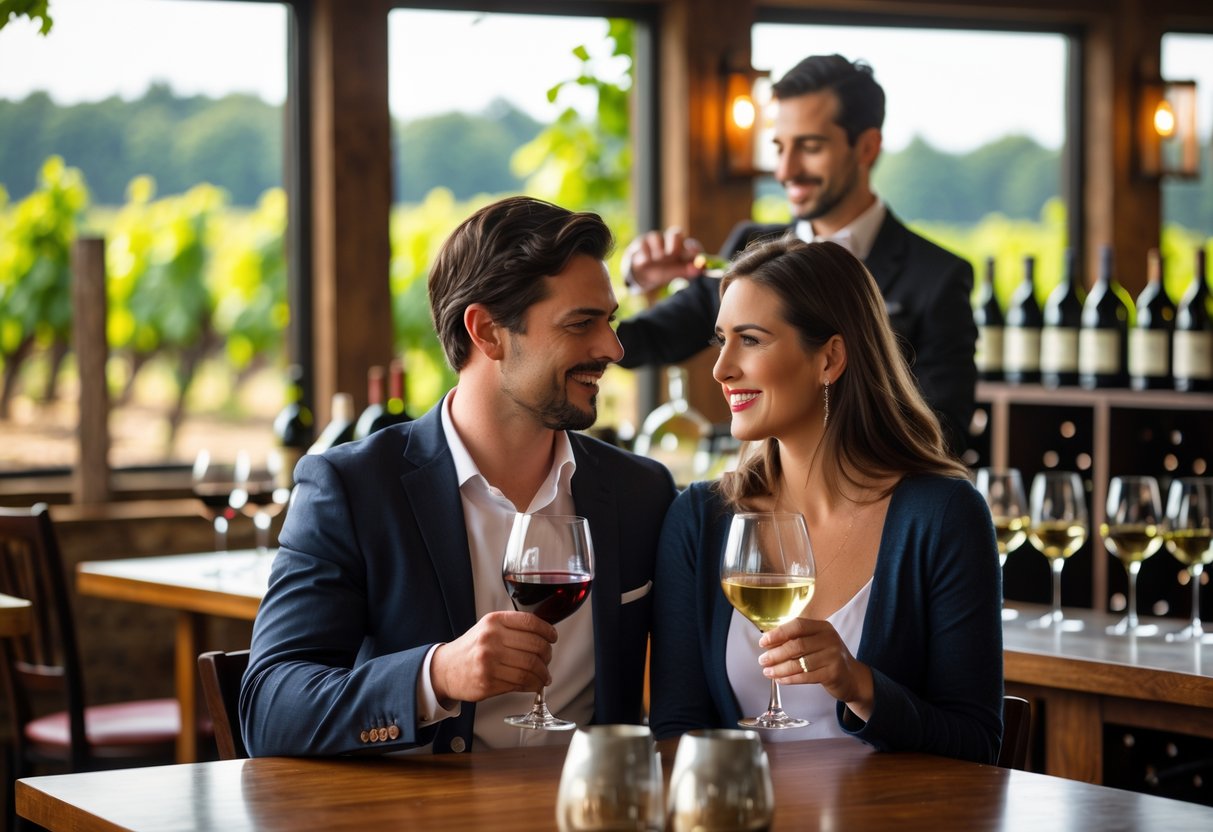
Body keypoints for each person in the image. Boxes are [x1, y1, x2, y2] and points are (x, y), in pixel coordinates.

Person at [242, 196, 677, 756]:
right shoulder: (350, 489)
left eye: (610, 322)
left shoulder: (642, 492)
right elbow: (269, 710)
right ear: (487, 332)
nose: (613, 348)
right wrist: (437, 674)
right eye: (582, 324)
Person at [648, 238, 1002, 764]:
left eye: (750, 340)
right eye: (722, 339)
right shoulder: (701, 518)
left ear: (830, 358)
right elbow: (676, 731)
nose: (721, 368)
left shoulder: (944, 516)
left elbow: (977, 745)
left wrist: (859, 685)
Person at [615, 54, 976, 454]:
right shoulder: (748, 249)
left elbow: (944, 432)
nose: (785, 170)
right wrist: (634, 280)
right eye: (779, 147)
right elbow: (636, 345)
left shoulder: (937, 276)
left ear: (868, 147)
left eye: (809, 146)